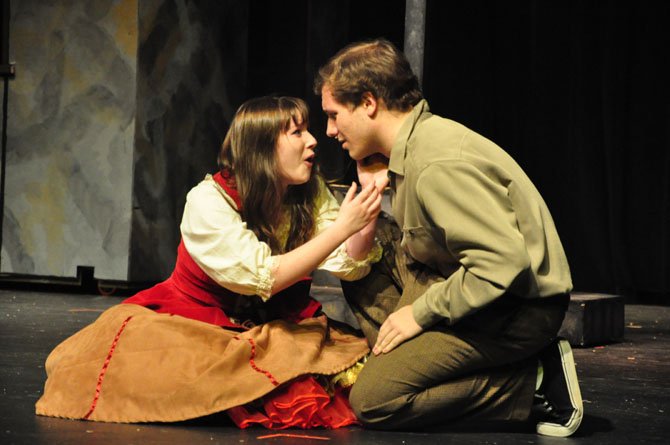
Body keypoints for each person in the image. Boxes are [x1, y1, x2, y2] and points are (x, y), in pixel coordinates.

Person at [35, 96, 386, 429]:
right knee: (173, 377)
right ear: (261, 148)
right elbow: (264, 276)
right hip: (195, 321)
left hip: (276, 322)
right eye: (296, 133)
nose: (312, 141)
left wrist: (368, 207)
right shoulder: (209, 201)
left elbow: (348, 261)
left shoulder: (308, 193)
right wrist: (342, 228)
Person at [313, 38, 583, 437]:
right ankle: (420, 362)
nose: (330, 130)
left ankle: (534, 383)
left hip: (517, 310)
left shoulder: (437, 164)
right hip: (458, 278)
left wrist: (418, 314)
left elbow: (502, 264)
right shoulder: (415, 145)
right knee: (361, 266)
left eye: (334, 115)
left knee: (374, 399)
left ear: (368, 103)